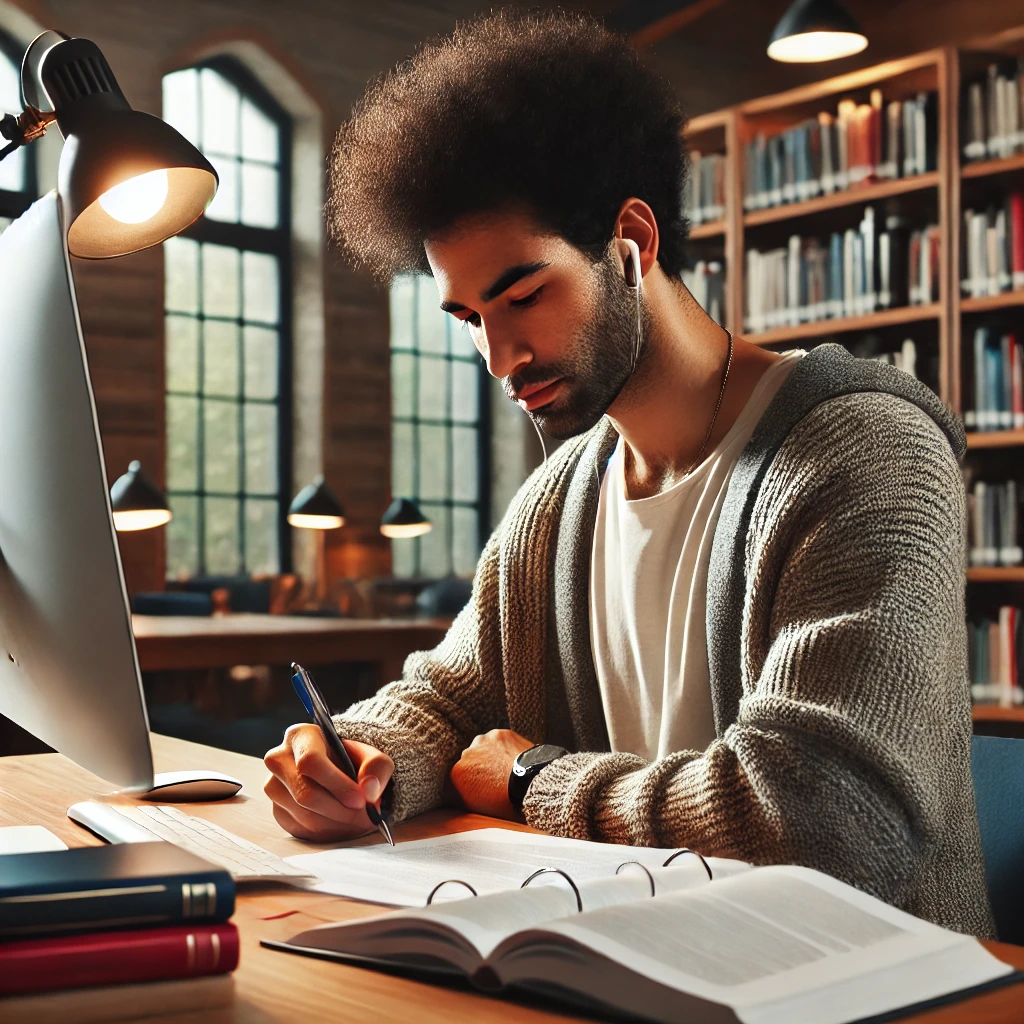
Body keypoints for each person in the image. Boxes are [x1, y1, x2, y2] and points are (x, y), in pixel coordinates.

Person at [264, 9, 992, 935]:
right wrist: (357, 759)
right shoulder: (559, 501)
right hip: (640, 959)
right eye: (467, 319)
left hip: (869, 981)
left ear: (631, 242)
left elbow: (826, 822)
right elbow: (447, 699)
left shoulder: (862, 454)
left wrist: (534, 779)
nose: (499, 356)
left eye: (524, 295)